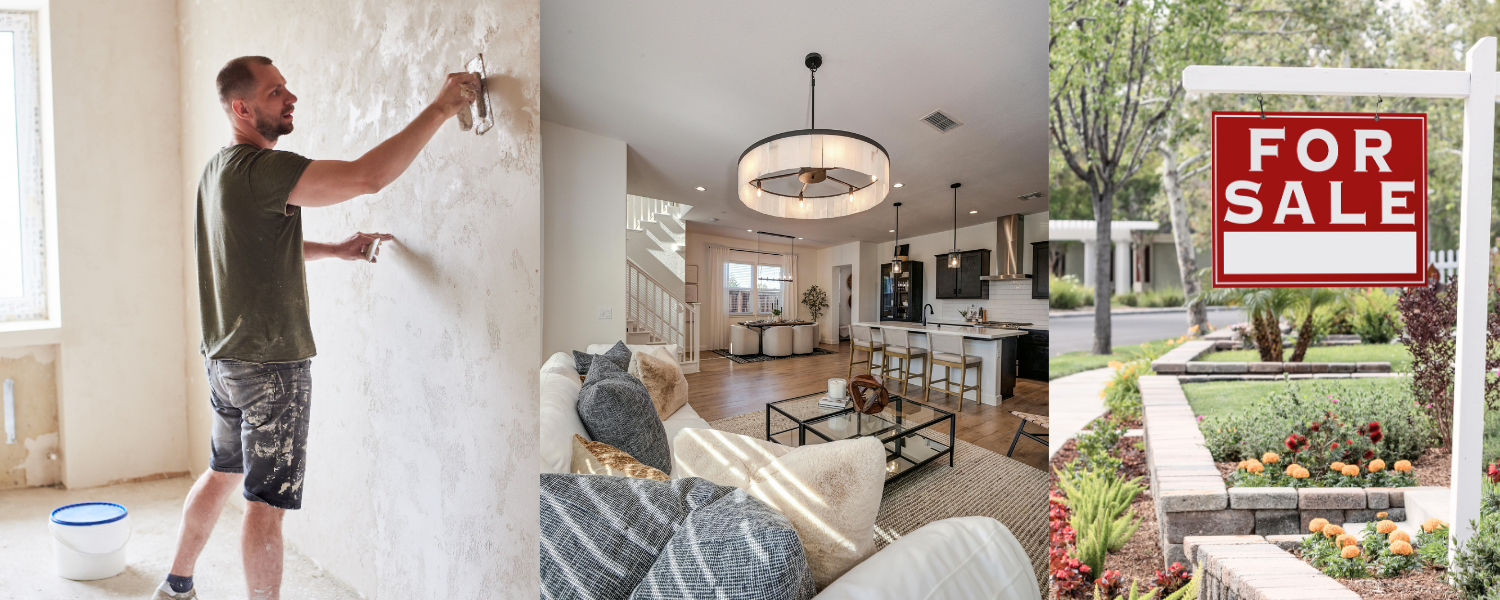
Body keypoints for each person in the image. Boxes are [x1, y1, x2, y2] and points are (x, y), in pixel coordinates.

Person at [153, 56, 478, 600]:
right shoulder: (263, 171)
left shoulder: (218, 171)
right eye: (276, 91)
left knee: (223, 472)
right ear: (242, 107)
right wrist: (442, 107)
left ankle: (176, 584)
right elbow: (366, 177)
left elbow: (253, 250)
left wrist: (332, 249)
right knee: (265, 504)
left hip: (225, 361)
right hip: (271, 367)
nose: (291, 97)